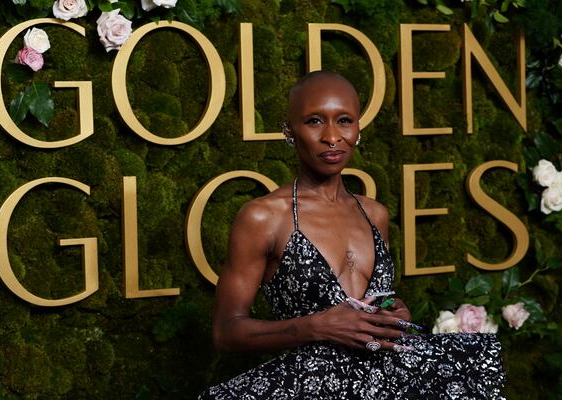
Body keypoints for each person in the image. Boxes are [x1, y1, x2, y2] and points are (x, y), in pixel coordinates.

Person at [199, 71, 505, 399]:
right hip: (316, 385)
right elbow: (225, 331)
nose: (332, 137)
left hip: (393, 378)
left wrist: (391, 311)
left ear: (358, 128)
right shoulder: (264, 217)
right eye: (315, 121)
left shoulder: (374, 213)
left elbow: (372, 298)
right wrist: (316, 327)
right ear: (289, 131)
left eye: (344, 120)